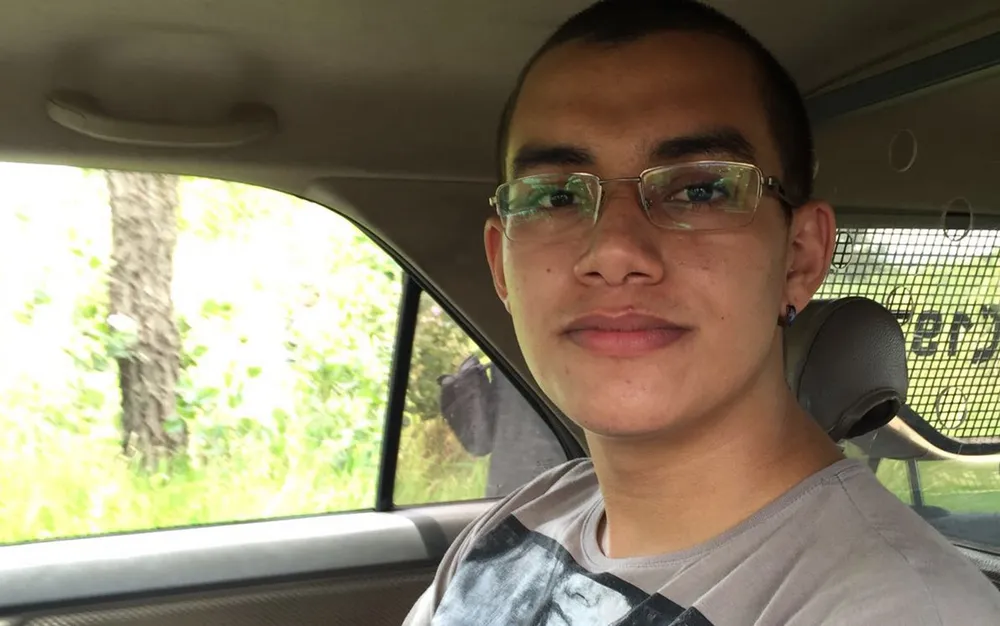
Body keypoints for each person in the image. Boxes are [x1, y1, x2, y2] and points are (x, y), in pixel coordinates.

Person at [403, 1, 1000, 623]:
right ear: (502, 267)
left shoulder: (902, 608)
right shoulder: (521, 521)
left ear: (797, 258)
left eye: (700, 189)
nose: (614, 252)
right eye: (556, 198)